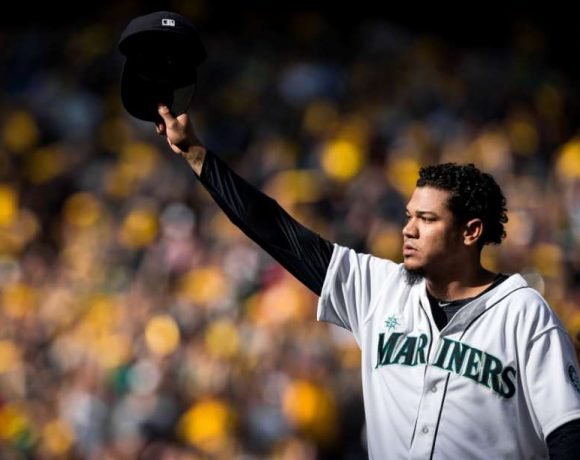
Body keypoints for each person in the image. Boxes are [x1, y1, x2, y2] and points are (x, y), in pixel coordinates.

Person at [154, 104, 580, 459]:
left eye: (426, 219)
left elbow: (568, 432)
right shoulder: (378, 288)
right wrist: (197, 156)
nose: (408, 229)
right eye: (409, 216)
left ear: (470, 232)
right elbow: (276, 230)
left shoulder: (523, 312)